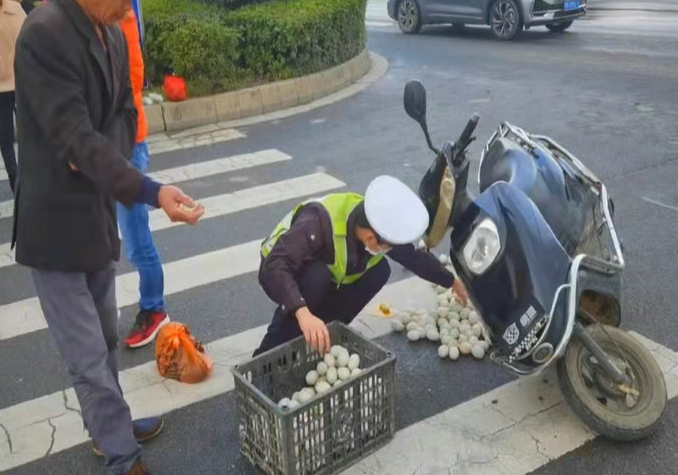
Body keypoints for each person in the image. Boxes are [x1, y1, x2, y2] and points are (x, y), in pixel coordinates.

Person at [12, 1, 205, 474]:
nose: (131, 5)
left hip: (96, 214)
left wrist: (107, 163)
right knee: (87, 356)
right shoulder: (43, 33)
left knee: (106, 336)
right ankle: (122, 456)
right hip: (53, 228)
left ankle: (108, 427)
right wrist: (148, 189)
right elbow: (77, 144)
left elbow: (124, 107)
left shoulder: (112, 30)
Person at [254, 175, 469, 356]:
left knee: (378, 271)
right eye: (387, 246)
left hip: (323, 268)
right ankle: (270, 353)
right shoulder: (318, 222)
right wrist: (303, 314)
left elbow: (412, 256)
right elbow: (274, 266)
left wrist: (450, 280)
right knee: (316, 279)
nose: (390, 249)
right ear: (370, 239)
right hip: (282, 268)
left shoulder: (375, 223)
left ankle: (328, 332)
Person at [118, 9, 170, 349]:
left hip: (126, 143)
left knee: (136, 240)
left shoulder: (118, 17)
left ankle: (154, 308)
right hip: (117, 143)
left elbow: (129, 82)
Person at [0, 0, 26, 194]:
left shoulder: (14, 9)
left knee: (6, 142)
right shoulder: (15, 9)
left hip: (3, 88)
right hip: (23, 81)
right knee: (33, 134)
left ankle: (17, 187)